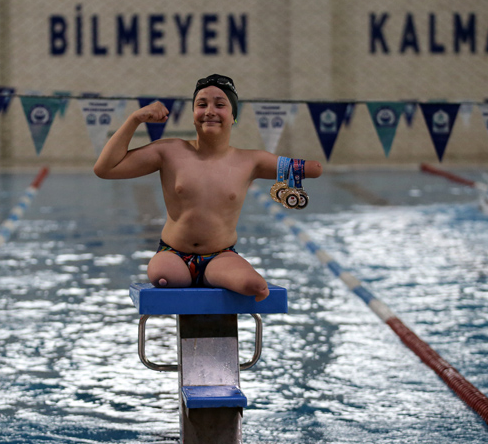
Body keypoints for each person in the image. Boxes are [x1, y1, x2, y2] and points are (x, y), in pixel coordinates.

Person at [94, 74, 322, 302]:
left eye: (220, 105)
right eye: (201, 104)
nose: (210, 111)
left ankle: (218, 276)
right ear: (193, 115)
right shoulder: (169, 151)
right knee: (163, 275)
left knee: (255, 285)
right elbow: (105, 168)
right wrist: (135, 118)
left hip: (221, 257)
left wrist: (292, 174)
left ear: (233, 116)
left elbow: (315, 169)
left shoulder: (252, 161)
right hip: (173, 253)